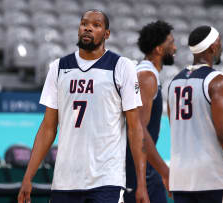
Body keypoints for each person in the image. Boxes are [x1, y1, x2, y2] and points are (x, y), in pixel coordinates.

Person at [18, 10, 150, 203]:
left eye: (96, 25)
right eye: (84, 23)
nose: (88, 27)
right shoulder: (59, 67)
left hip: (106, 181)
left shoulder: (122, 66)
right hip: (65, 181)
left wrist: (141, 183)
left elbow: (135, 129)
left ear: (107, 34)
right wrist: (28, 177)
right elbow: (47, 128)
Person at [167, 25, 223, 203]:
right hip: (216, 179)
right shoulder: (218, 81)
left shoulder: (174, 82)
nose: (220, 47)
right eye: (219, 43)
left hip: (181, 180)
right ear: (212, 47)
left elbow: (176, 129)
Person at [124, 20, 176, 203]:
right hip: (137, 170)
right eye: (171, 43)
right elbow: (139, 132)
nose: (175, 48)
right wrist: (165, 171)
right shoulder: (146, 77)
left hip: (144, 168)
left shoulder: (147, 74)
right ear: (159, 49)